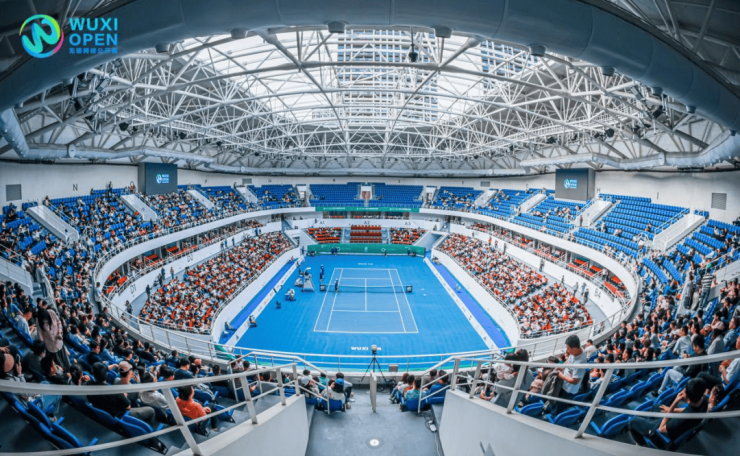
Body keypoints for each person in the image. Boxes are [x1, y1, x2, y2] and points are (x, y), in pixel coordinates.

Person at [628, 378, 707, 447]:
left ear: (689, 401)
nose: (683, 391)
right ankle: (649, 426)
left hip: (662, 436)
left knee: (632, 421)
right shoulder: (703, 400)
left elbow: (661, 429)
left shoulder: (682, 419)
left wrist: (675, 402)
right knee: (657, 407)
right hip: (677, 424)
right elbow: (687, 409)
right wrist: (670, 409)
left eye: (685, 391)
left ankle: (642, 443)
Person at [88, 362, 157, 427]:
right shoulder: (118, 391)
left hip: (106, 414)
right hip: (120, 415)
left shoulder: (88, 388)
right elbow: (128, 407)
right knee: (151, 410)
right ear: (106, 375)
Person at [556, 335, 587, 400]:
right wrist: (561, 367)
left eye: (568, 348)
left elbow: (575, 381)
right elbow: (568, 360)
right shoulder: (578, 350)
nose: (567, 351)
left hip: (568, 390)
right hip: (564, 384)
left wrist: (561, 376)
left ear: (574, 349)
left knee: (561, 403)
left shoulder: (580, 363)